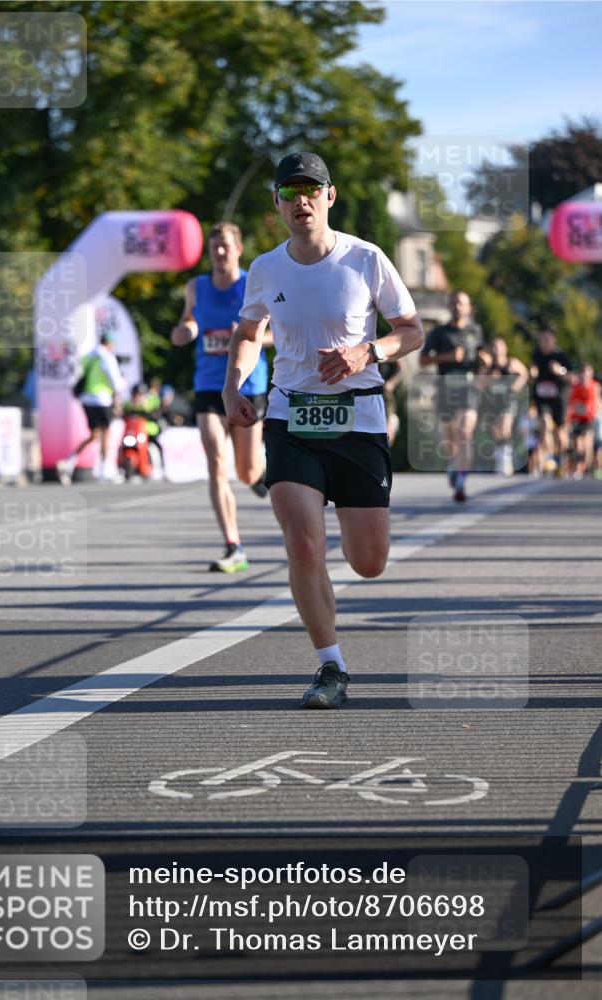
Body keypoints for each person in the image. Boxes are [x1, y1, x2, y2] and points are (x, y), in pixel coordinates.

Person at [222, 152, 423, 709]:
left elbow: (411, 330)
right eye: (290, 191)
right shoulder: (265, 268)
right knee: (304, 542)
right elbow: (246, 331)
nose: (301, 200)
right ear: (278, 203)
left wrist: (369, 351)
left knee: (368, 562)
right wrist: (233, 384)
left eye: (311, 189)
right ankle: (330, 666)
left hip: (357, 419)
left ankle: (350, 546)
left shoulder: (366, 258)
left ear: (330, 197)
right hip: (290, 416)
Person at [171, 222, 272, 573]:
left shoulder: (253, 284)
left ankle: (258, 476)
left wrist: (248, 335)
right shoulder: (195, 287)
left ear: (239, 248)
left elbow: (279, 333)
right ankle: (233, 545)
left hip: (248, 383)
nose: (220, 252)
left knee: (245, 472)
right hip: (208, 385)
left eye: (226, 245)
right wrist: (186, 331)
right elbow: (188, 322)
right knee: (216, 461)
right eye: (214, 246)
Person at [419, 291, 487, 502]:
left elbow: (483, 358)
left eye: (462, 303)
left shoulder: (475, 331)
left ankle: (461, 480)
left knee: (464, 432)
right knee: (449, 442)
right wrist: (447, 357)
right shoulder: (439, 333)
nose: (458, 307)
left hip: (468, 390)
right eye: (455, 303)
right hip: (446, 390)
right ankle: (454, 465)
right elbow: (422, 360)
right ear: (449, 307)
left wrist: (483, 368)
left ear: (469, 308)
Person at [57, 332, 125, 484]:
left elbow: (76, 375)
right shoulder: (107, 357)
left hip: (86, 400)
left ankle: (69, 461)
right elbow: (116, 382)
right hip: (101, 399)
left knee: (95, 435)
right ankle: (106, 469)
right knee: (107, 431)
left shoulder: (87, 356)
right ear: (109, 343)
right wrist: (120, 389)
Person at [477, 337, 529, 476]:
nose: (496, 349)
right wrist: (489, 378)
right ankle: (501, 456)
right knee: (495, 431)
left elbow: (524, 373)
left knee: (505, 426)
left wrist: (516, 385)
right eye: (494, 346)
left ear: (505, 349)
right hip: (492, 402)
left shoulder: (511, 363)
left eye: (499, 346)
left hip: (508, 400)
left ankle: (506, 461)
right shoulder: (488, 366)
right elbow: (479, 384)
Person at [530, 328, 572, 476]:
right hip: (542, 400)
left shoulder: (561, 356)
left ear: (553, 340)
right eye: (542, 340)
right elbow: (532, 375)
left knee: (560, 434)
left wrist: (559, 370)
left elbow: (571, 378)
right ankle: (548, 460)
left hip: (559, 400)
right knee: (545, 425)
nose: (544, 343)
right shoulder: (536, 356)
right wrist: (532, 373)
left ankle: (561, 459)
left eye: (547, 339)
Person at [566, 363, 600, 478]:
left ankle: (587, 466)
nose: (585, 374)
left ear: (591, 374)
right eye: (583, 372)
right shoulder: (576, 387)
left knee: (587, 443)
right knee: (577, 445)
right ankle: (579, 465)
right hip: (577, 419)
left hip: (589, 419)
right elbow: (571, 403)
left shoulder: (594, 386)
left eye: (588, 372)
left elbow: (596, 401)